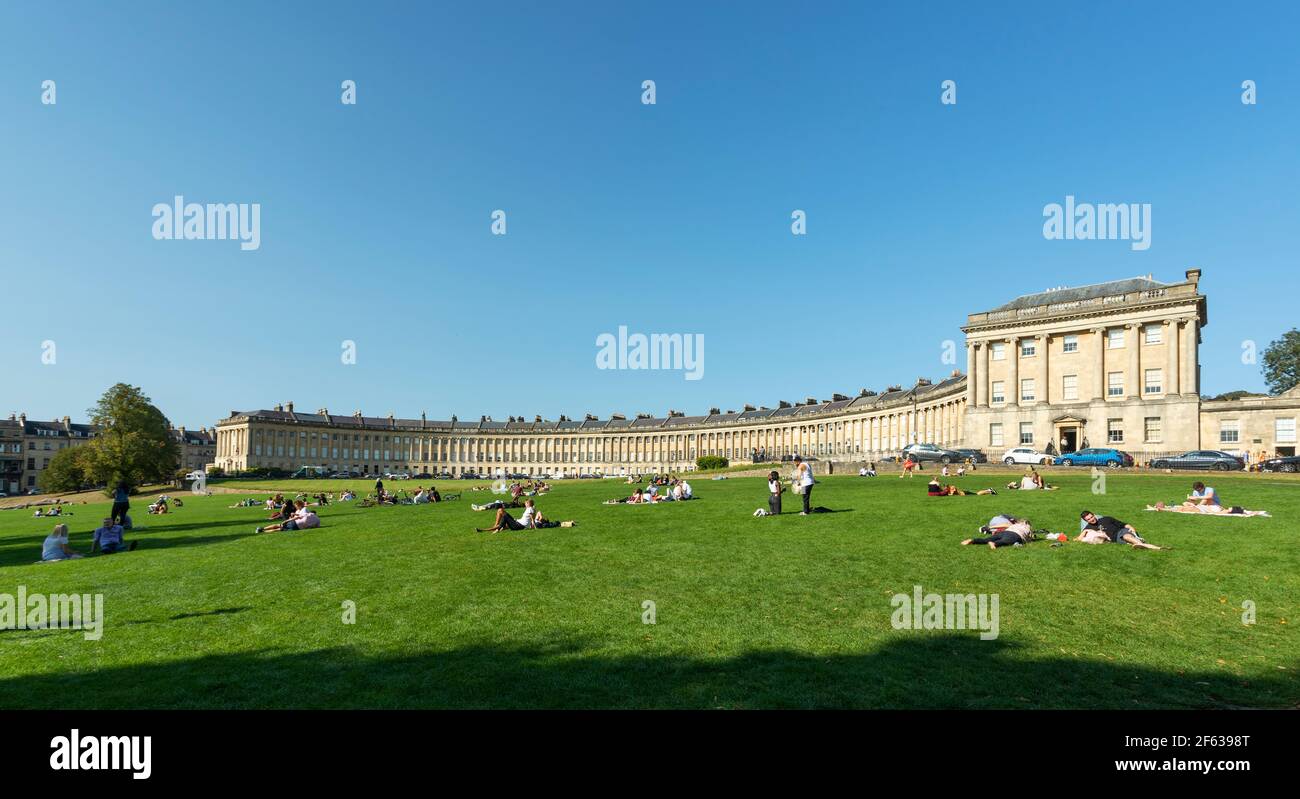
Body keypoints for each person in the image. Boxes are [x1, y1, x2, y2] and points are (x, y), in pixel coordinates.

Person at [1077, 510, 1165, 550]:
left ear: (1094, 514)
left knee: (1127, 536)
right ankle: (1156, 548)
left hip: (1121, 531)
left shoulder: (1106, 518)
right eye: (1088, 519)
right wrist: (1084, 531)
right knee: (1128, 541)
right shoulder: (1088, 527)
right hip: (1116, 540)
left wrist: (1131, 527)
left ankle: (1143, 544)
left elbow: (1122, 524)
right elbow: (1078, 539)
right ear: (1086, 520)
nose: (1092, 519)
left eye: (1092, 517)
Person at [962, 517, 1034, 549]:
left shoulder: (1015, 525)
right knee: (1004, 542)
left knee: (986, 539)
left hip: (1005, 532)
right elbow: (1030, 538)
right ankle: (995, 544)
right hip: (1015, 535)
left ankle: (972, 540)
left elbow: (1006, 526)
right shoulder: (1028, 528)